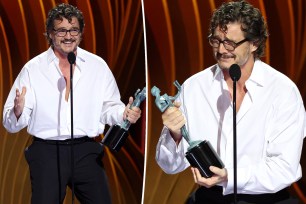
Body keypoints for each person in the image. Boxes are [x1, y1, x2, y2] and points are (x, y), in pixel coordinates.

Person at [155, 1, 305, 203]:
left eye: (231, 43)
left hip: (266, 199)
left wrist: (230, 177)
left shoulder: (282, 91)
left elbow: (284, 168)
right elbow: (170, 166)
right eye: (216, 41)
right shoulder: (194, 87)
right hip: (210, 197)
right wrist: (173, 135)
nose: (222, 50)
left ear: (255, 43)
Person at [2, 3, 141, 204]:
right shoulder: (33, 69)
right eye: (61, 30)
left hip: (86, 152)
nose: (68, 36)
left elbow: (109, 107)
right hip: (47, 153)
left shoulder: (97, 65)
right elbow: (10, 124)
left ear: (81, 32)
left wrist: (123, 113)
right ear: (50, 33)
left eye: (74, 29)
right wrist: (17, 110)